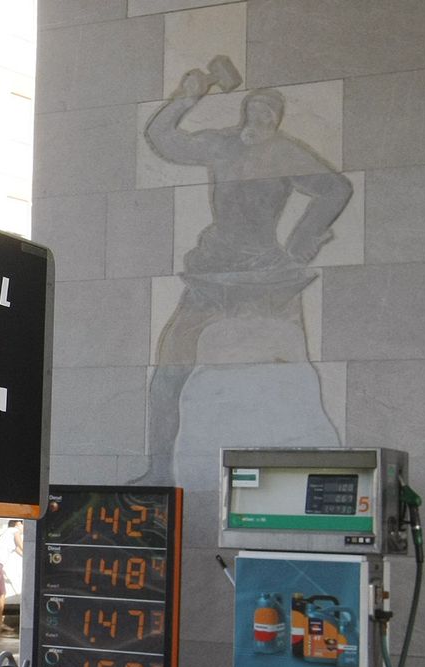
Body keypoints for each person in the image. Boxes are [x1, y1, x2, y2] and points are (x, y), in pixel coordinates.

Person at [137, 58, 352, 483]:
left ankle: (320, 477)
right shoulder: (223, 144)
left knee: (296, 371)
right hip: (214, 271)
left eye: (268, 112)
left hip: (267, 275)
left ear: (277, 120)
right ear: (244, 112)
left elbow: (337, 188)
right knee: (170, 368)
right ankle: (159, 472)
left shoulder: (286, 152)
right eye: (253, 108)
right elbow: (163, 139)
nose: (258, 116)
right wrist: (186, 96)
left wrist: (301, 244)